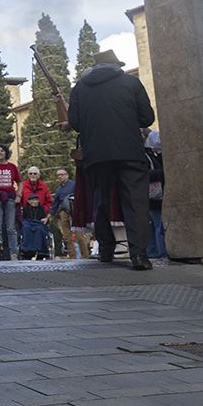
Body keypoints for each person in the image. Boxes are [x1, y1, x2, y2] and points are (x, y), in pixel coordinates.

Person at [68, 49, 156, 270]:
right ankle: (138, 256)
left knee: (101, 200)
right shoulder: (131, 83)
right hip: (130, 152)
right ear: (117, 66)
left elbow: (75, 122)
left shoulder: (80, 88)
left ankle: (106, 250)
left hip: (96, 154)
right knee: (135, 203)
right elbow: (147, 117)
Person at [50, 168, 82, 259]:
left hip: (75, 211)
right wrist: (49, 215)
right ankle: (73, 257)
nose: (60, 176)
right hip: (64, 212)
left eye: (62, 174)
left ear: (67, 175)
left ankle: (85, 256)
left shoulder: (74, 185)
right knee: (67, 237)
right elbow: (55, 205)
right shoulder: (58, 190)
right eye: (58, 175)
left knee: (79, 236)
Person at [145, 130, 167, 259]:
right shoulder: (147, 156)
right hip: (154, 197)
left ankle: (152, 252)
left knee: (153, 226)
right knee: (158, 226)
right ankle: (161, 252)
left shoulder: (152, 156)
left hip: (151, 198)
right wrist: (163, 173)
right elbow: (146, 173)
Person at [19, 192, 50, 260]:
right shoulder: (25, 209)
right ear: (29, 201)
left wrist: (45, 219)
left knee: (39, 230)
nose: (34, 202)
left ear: (38, 201)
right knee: (26, 228)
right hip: (28, 224)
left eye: (36, 200)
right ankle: (26, 250)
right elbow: (23, 219)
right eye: (32, 200)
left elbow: (44, 219)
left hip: (38, 224)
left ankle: (40, 250)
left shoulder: (41, 209)